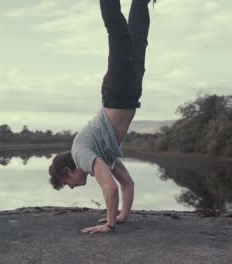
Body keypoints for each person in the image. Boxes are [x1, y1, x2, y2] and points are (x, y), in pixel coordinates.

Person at [48, 0, 154, 234]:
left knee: (118, 33)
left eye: (68, 185)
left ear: (68, 172)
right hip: (129, 92)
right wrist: (122, 216)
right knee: (138, 40)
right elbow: (126, 183)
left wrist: (110, 224)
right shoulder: (100, 154)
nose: (73, 188)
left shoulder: (82, 155)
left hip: (117, 93)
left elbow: (110, 187)